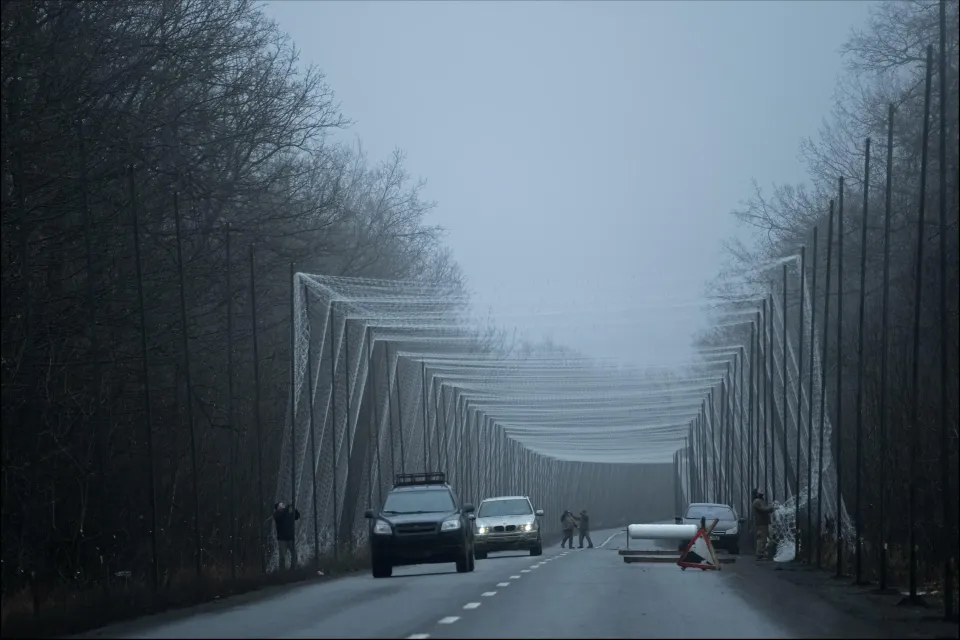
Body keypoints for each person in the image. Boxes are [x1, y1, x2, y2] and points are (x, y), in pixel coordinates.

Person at [273, 501, 301, 570]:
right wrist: (286, 509)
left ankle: (294, 568)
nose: (283, 505)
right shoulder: (277, 515)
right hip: (282, 539)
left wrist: (294, 509)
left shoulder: (288, 514)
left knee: (294, 555)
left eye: (283, 504)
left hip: (290, 537)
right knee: (282, 556)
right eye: (281, 504)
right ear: (278, 507)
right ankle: (282, 570)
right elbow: (280, 516)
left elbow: (297, 516)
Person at [751, 489, 775, 560]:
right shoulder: (757, 501)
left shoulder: (759, 501)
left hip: (763, 522)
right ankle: (760, 553)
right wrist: (771, 508)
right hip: (761, 523)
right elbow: (763, 509)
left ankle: (762, 552)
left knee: (763, 538)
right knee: (762, 538)